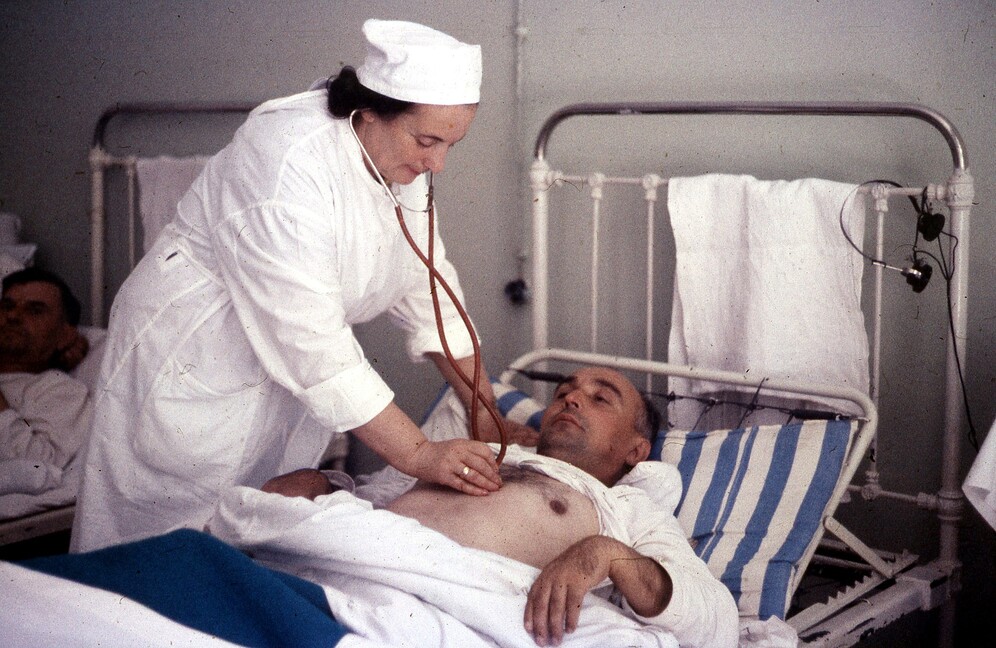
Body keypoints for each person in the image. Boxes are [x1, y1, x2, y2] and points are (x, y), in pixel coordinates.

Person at [71, 19, 533, 553]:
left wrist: (483, 408)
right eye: (427, 141)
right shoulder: (285, 162)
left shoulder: (398, 159)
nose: (437, 164)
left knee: (253, 536)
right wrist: (419, 454)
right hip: (195, 352)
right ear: (370, 111)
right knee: (158, 547)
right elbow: (316, 350)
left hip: (277, 367)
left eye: (451, 144)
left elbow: (429, 288)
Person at [263, 366, 740, 648]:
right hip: (353, 568)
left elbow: (715, 619)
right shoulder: (470, 451)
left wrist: (605, 554)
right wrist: (323, 486)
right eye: (565, 392)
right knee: (193, 559)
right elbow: (373, 499)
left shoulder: (627, 506)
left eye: (600, 399)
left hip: (440, 611)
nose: (573, 397)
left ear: (636, 451)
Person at [0, 268, 91, 517]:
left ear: (66, 335)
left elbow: (37, 468)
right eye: (6, 306)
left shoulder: (59, 390)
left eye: (34, 310)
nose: (13, 316)